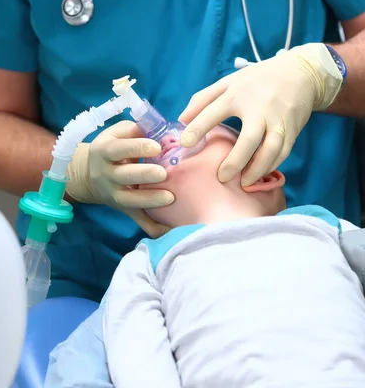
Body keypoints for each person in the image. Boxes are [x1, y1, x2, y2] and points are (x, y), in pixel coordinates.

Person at [0, 0, 365, 301]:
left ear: (265, 174)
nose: (168, 134)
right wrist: (75, 171)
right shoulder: (141, 277)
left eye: (193, 143)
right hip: (92, 275)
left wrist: (321, 71)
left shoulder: (327, 237)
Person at [45, 125, 365, 387]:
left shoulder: (322, 226)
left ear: (264, 176)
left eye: (201, 133)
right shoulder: (149, 262)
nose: (167, 137)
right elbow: (135, 354)